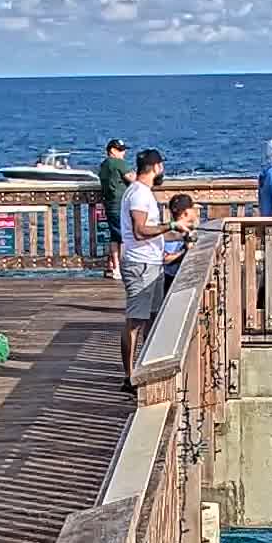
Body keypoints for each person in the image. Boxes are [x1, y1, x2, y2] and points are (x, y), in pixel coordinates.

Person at [118, 148, 192, 391]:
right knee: (135, 322)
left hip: (152, 263)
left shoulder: (143, 193)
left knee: (152, 320)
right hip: (140, 265)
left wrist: (180, 233)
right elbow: (140, 231)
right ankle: (129, 377)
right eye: (162, 166)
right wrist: (171, 224)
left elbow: (154, 232)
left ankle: (145, 371)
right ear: (156, 167)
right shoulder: (139, 194)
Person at [97, 138, 133, 280]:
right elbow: (133, 178)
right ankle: (125, 268)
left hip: (110, 204)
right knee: (125, 236)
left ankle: (116, 268)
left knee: (114, 236)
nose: (123, 152)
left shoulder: (104, 164)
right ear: (112, 150)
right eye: (120, 150)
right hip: (120, 204)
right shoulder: (118, 163)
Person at [162, 194, 198, 283]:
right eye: (193, 208)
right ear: (186, 213)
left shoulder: (190, 230)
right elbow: (165, 259)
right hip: (171, 278)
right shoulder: (171, 233)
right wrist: (186, 253)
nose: (195, 211)